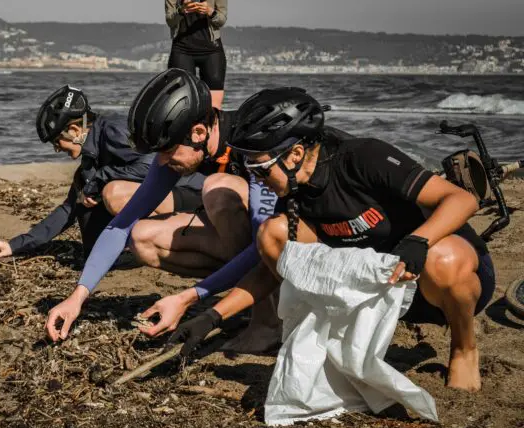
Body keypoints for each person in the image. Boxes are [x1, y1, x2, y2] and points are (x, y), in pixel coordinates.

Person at [170, 87, 496, 392]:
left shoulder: (363, 157)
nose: (256, 180)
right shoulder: (294, 192)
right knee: (273, 234)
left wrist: (419, 240)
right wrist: (212, 316)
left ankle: (464, 347)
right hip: (383, 288)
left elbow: (463, 199)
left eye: (260, 169)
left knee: (444, 259)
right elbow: (272, 271)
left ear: (295, 154)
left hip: (444, 279)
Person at [44, 69, 280, 347]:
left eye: (167, 151)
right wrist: (78, 296)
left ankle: (267, 322)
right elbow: (121, 225)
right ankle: (242, 297)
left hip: (283, 249)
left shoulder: (253, 146)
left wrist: (188, 298)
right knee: (141, 237)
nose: (162, 162)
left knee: (217, 189)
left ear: (198, 132)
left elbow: (264, 246)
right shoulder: (180, 148)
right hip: (253, 249)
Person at [0, 85, 206, 261]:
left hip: (191, 196)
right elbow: (68, 210)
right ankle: (132, 250)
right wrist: (14, 245)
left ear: (74, 130)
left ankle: (172, 241)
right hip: (164, 200)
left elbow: (153, 164)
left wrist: (102, 178)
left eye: (56, 142)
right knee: (87, 200)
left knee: (113, 192)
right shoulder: (90, 160)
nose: (57, 149)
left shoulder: (113, 131)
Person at [165, 0, 228, 109]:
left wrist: (209, 11)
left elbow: (221, 19)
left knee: (214, 108)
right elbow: (170, 20)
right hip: (182, 49)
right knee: (181, 105)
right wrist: (181, 10)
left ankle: (212, 124)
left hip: (211, 49)